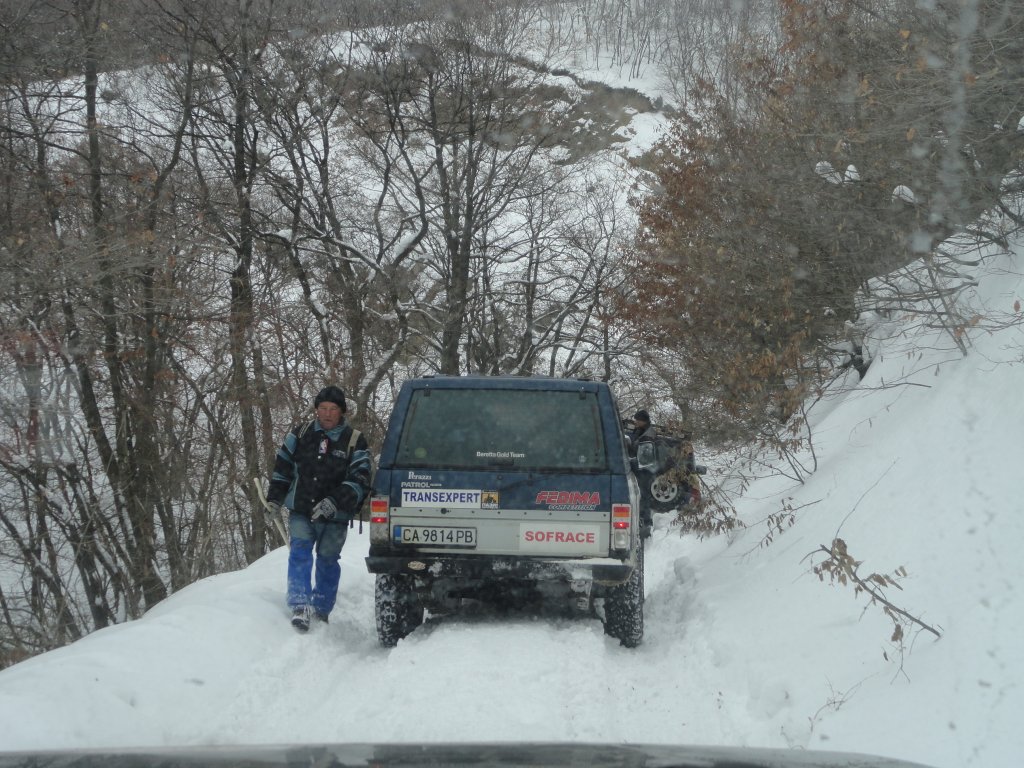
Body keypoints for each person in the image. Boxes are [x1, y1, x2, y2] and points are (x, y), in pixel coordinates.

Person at [265, 386, 372, 632]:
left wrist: (334, 501)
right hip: (302, 509)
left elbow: (361, 479)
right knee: (300, 552)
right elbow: (282, 469)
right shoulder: (300, 435)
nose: (327, 414)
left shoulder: (354, 440)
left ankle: (322, 608)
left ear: (342, 412)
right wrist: (274, 499)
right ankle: (300, 605)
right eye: (323, 408)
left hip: (335, 517)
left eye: (333, 409)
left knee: (327, 559)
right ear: (316, 410)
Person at [627, 409, 657, 539]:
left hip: (645, 471)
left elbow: (644, 455)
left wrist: (631, 457)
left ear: (643, 420)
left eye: (637, 420)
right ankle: (641, 522)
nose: (635, 421)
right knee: (641, 497)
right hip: (641, 469)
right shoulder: (640, 431)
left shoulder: (648, 435)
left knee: (643, 497)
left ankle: (645, 525)